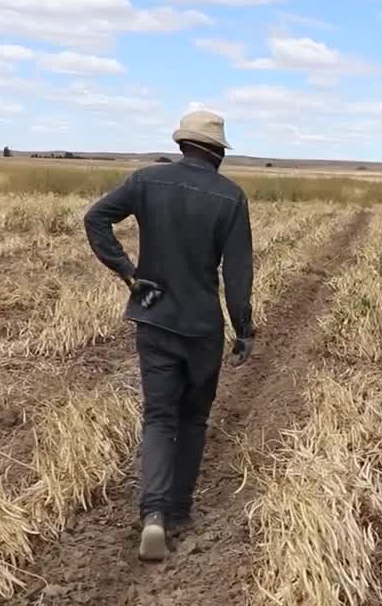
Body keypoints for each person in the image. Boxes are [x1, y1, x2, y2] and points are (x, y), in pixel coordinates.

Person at [83, 109, 255, 562]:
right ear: (217, 151)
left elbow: (95, 219)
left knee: (158, 417)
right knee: (193, 419)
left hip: (155, 316)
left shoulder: (145, 181)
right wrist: (244, 330)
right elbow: (238, 276)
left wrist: (128, 273)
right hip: (202, 326)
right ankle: (179, 510)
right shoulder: (231, 197)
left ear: (182, 145)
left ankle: (154, 515)